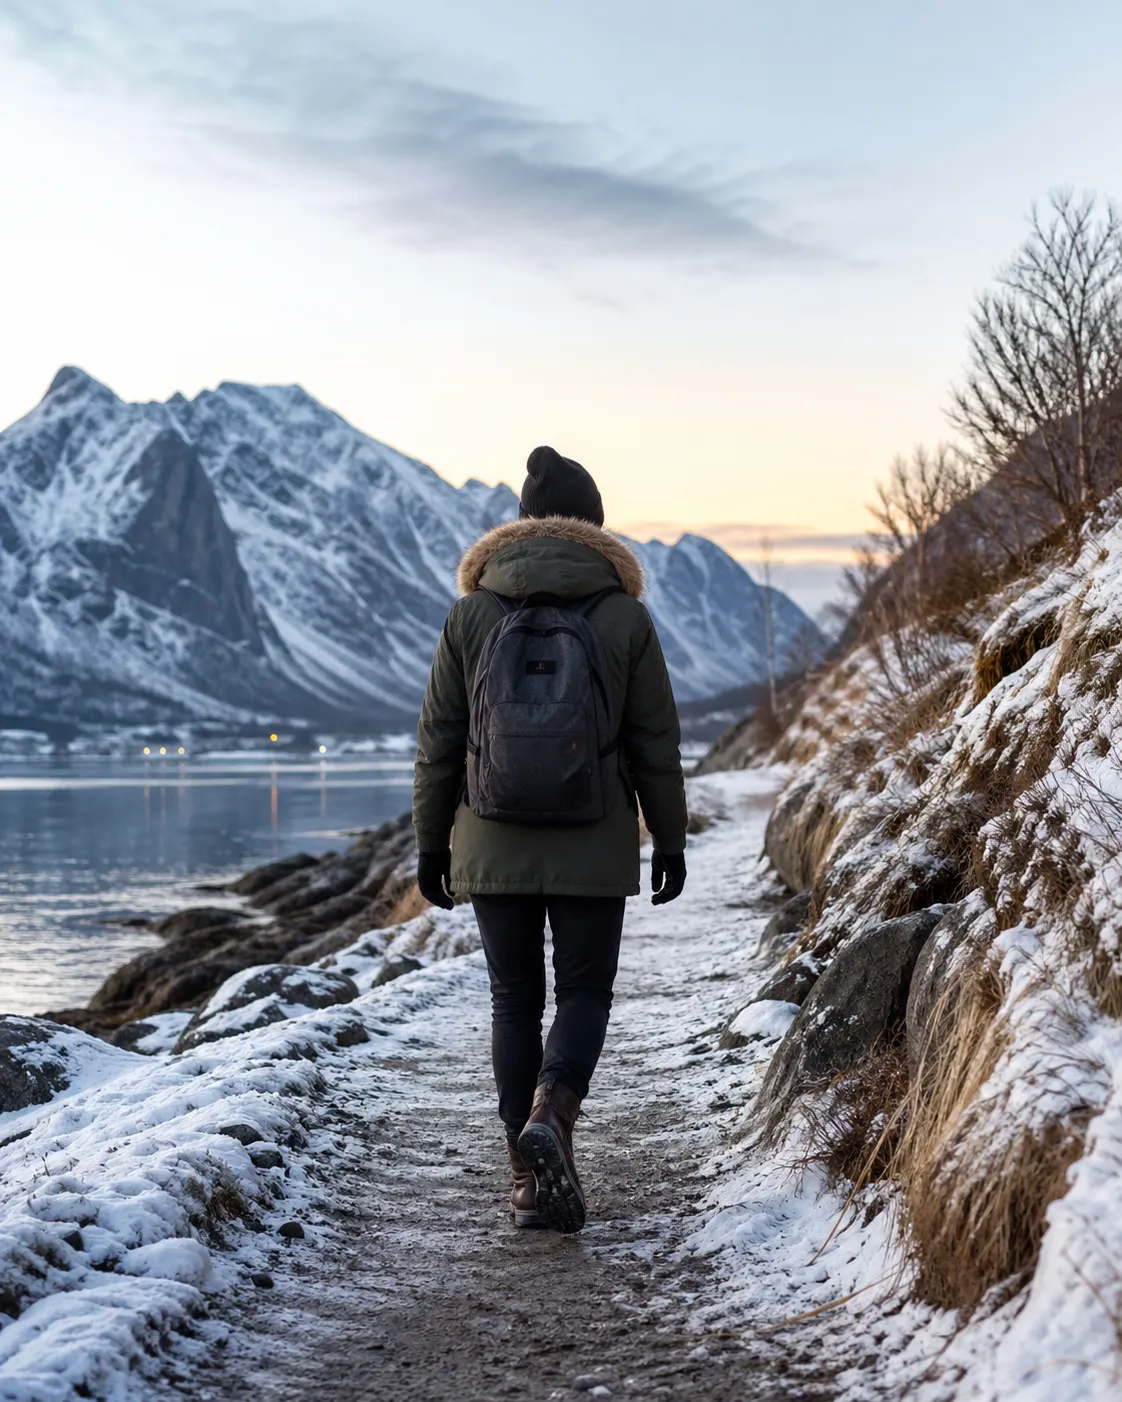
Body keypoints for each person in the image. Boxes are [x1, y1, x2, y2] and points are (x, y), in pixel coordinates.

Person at [412, 445, 688, 1234]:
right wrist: (669, 840)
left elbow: (439, 741)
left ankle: (526, 1179)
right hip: (594, 839)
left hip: (490, 835)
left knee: (513, 1001)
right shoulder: (624, 616)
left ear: (522, 524)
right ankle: (554, 1114)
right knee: (585, 993)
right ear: (594, 527)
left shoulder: (471, 614)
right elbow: (654, 741)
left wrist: (433, 845)